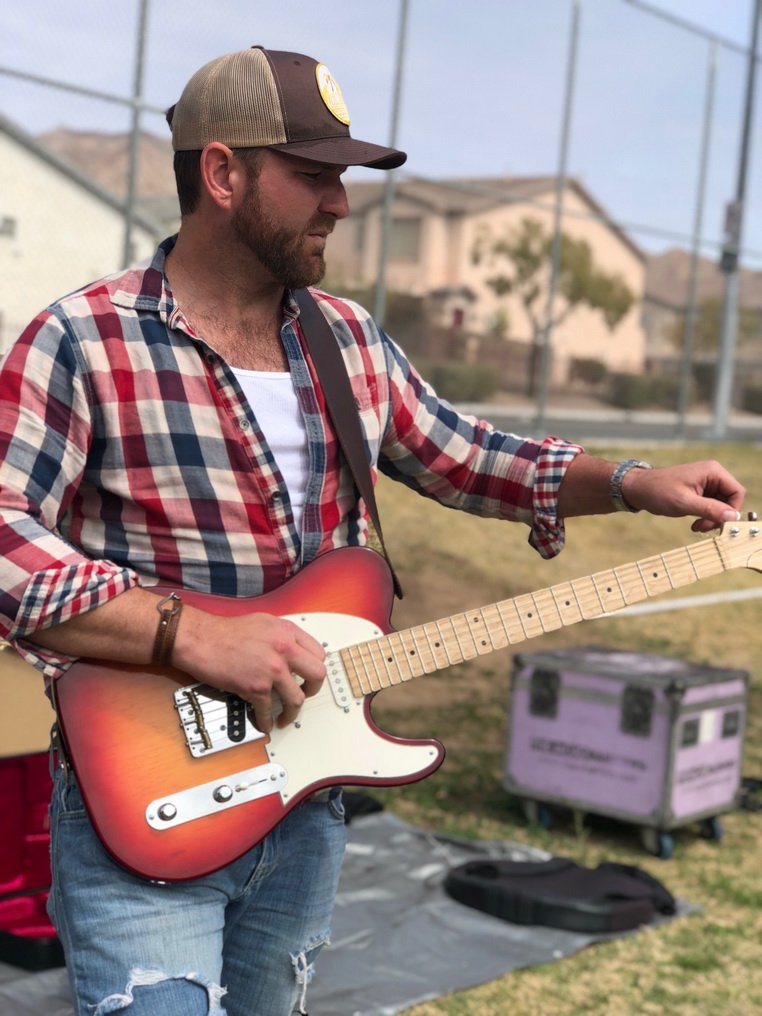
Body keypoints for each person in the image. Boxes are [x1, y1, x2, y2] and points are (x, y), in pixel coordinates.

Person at [0, 45, 745, 1016]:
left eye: (342, 176)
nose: (340, 203)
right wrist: (195, 631)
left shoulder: (346, 339)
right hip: (143, 797)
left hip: (307, 799)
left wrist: (638, 481)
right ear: (222, 174)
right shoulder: (81, 338)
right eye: (313, 174)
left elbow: (469, 453)